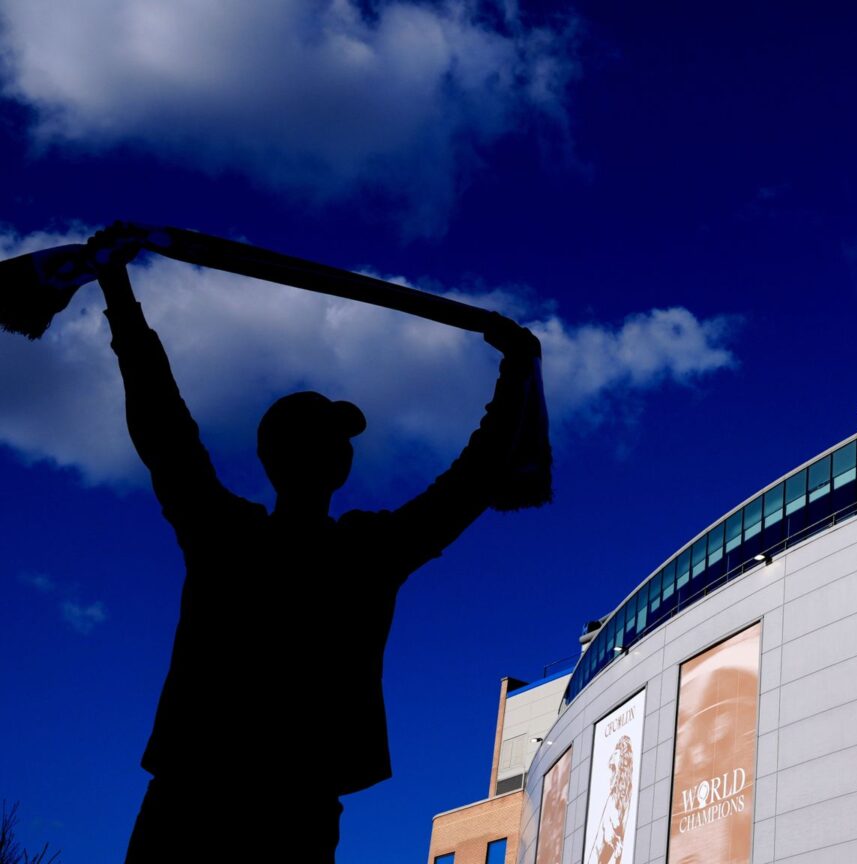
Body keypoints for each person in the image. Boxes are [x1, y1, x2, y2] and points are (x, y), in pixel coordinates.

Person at [89, 228, 553, 864]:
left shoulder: (235, 533)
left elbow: (163, 427)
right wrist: (513, 372)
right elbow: (470, 482)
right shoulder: (347, 551)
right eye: (331, 439)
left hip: (221, 796)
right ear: (308, 457)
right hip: (252, 800)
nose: (342, 450)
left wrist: (117, 290)